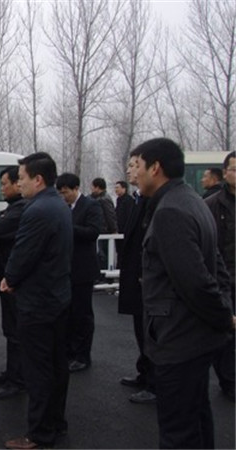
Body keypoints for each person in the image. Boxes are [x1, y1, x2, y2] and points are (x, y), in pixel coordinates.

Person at [135, 137, 235, 449]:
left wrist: (223, 317)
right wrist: (225, 310)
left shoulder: (170, 211)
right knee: (197, 420)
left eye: (137, 166)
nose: (133, 173)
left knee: (179, 432)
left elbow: (196, 282)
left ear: (155, 168)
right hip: (194, 338)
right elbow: (217, 267)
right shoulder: (191, 200)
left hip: (179, 338)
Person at [1, 153, 73, 450]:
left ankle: (40, 433)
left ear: (38, 179)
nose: (19, 184)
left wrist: (10, 278)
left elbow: (23, 253)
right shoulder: (58, 204)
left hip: (38, 303)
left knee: (38, 370)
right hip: (57, 298)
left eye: (22, 178)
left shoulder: (38, 210)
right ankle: (55, 423)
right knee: (56, 366)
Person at [117, 149, 156, 404]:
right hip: (135, 277)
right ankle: (144, 373)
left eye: (134, 165)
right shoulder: (138, 199)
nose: (130, 170)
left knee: (151, 333)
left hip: (146, 281)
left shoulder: (154, 201)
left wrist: (143, 275)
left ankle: (155, 383)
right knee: (140, 330)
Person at [0, 166, 28, 399]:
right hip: (5, 275)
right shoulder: (13, 208)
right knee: (10, 328)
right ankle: (13, 371)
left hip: (14, 280)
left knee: (16, 330)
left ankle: (18, 379)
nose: (2, 188)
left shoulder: (22, 208)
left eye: (4, 184)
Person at [56, 173, 102, 373]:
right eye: (60, 193)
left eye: (65, 192)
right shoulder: (63, 208)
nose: (63, 196)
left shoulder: (91, 205)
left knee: (82, 315)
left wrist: (67, 227)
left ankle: (82, 356)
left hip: (83, 270)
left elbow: (93, 232)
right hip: (66, 269)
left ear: (75, 189)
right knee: (67, 314)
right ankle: (69, 352)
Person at [205, 151, 235, 402]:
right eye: (234, 169)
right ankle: (229, 381)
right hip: (226, 280)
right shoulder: (212, 205)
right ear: (225, 173)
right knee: (227, 334)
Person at [90, 177, 117, 275]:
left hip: (105, 231)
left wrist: (113, 229)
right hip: (103, 230)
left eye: (92, 187)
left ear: (97, 187)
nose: (91, 189)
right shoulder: (98, 198)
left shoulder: (104, 199)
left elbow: (110, 215)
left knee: (104, 254)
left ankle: (105, 276)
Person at [114, 180, 134, 268]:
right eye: (115, 188)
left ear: (124, 188)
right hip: (119, 231)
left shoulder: (129, 201)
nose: (116, 190)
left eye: (117, 188)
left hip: (125, 232)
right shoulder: (118, 200)